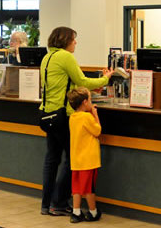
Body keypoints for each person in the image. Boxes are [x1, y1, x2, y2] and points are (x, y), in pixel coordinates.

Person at [39, 26, 112, 216]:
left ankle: (46, 204)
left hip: (47, 113)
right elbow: (82, 80)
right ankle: (59, 203)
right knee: (73, 160)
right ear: (65, 40)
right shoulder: (65, 56)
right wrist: (105, 79)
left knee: (52, 159)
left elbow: (67, 84)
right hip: (63, 115)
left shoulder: (47, 57)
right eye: (73, 39)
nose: (76, 43)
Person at [67, 87, 103, 223]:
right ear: (85, 102)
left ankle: (76, 211)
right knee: (89, 188)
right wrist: (95, 114)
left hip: (76, 160)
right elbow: (97, 131)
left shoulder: (72, 117)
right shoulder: (87, 117)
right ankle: (93, 212)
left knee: (76, 187)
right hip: (89, 160)